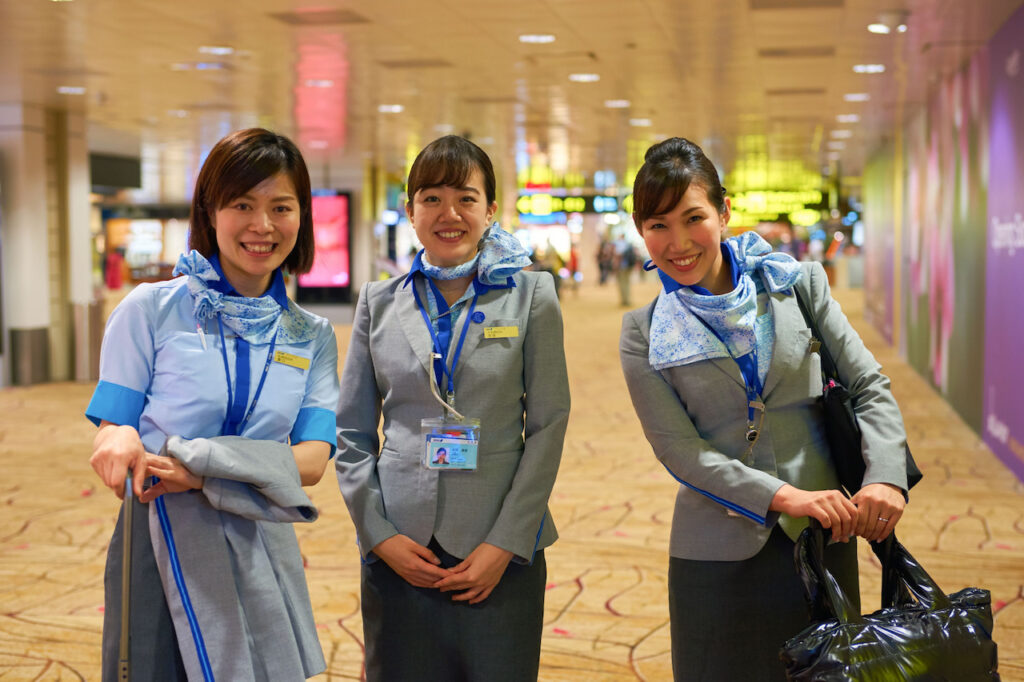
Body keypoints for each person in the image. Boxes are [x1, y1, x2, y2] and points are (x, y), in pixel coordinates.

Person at [618, 137, 909, 681]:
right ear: (641, 230)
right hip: (715, 552)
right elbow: (678, 449)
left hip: (824, 535)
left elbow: (867, 383)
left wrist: (887, 477)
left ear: (724, 212)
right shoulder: (643, 331)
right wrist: (782, 496)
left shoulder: (796, 286)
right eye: (659, 225)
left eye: (693, 218)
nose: (678, 242)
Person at [86, 128, 340, 681]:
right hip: (159, 534)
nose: (262, 225)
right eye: (242, 205)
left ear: (302, 217)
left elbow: (313, 460)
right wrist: (118, 436)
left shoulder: (311, 335)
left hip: (259, 533)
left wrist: (199, 472)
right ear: (210, 210)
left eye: (281, 207)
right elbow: (114, 426)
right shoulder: (150, 309)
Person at [336, 135, 570, 681]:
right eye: (432, 199)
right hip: (400, 548)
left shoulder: (532, 296)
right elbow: (351, 433)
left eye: (466, 198)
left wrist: (505, 543)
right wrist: (379, 535)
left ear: (490, 210)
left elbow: (548, 426)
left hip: (498, 549)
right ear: (410, 210)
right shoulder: (378, 302)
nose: (450, 214)